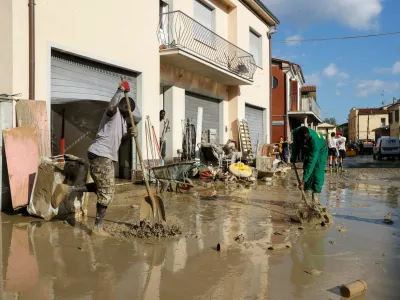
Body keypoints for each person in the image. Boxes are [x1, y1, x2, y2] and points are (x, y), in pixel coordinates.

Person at [52, 81, 138, 236]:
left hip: (105, 156)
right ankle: (97, 228)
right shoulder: (113, 114)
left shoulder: (124, 123)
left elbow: (122, 141)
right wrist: (120, 90)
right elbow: (112, 106)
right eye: (128, 107)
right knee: (107, 194)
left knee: (102, 188)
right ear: (124, 106)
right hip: (100, 154)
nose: (128, 110)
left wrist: (130, 135)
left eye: (129, 108)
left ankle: (68, 189)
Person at [291, 126, 328, 204]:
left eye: (306, 140)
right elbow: (295, 145)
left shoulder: (314, 142)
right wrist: (294, 155)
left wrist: (304, 180)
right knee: (306, 167)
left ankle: (315, 198)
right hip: (308, 149)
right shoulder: (295, 133)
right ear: (298, 136)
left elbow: (311, 163)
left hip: (321, 149)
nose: (304, 142)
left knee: (317, 171)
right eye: (303, 140)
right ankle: (306, 194)